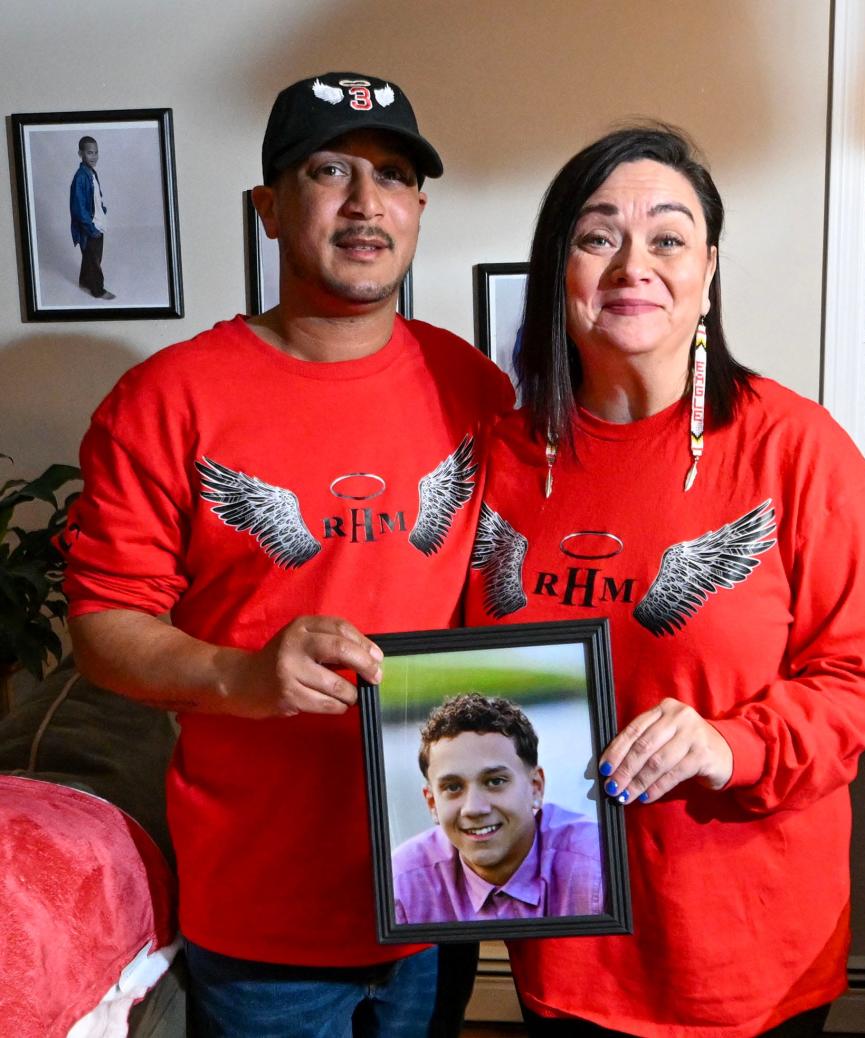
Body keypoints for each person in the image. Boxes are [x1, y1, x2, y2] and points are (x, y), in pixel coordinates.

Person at [62, 71, 514, 1038]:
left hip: (438, 892)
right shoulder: (167, 398)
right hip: (260, 909)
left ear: (419, 209)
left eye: (392, 175)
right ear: (269, 208)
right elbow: (102, 626)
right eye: (328, 170)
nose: (365, 202)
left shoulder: (472, 386)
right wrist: (239, 674)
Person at [464, 124, 865, 1037]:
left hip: (747, 949)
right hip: (562, 937)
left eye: (668, 238)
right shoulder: (494, 462)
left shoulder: (797, 452)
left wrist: (731, 745)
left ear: (708, 273)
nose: (634, 264)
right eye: (599, 236)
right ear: (559, 267)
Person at [392, 693, 603, 924]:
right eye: (453, 787)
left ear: (536, 788)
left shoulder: (596, 866)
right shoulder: (401, 884)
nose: (473, 808)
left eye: (495, 781)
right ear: (432, 803)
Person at [69, 135, 115, 300]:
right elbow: (79, 209)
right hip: (89, 227)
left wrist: (102, 211)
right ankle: (98, 290)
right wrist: (91, 229)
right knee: (94, 260)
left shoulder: (91, 172)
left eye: (96, 152)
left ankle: (84, 281)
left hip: (97, 222)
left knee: (91, 256)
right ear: (80, 153)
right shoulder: (80, 177)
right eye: (89, 153)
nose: (94, 156)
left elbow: (95, 197)